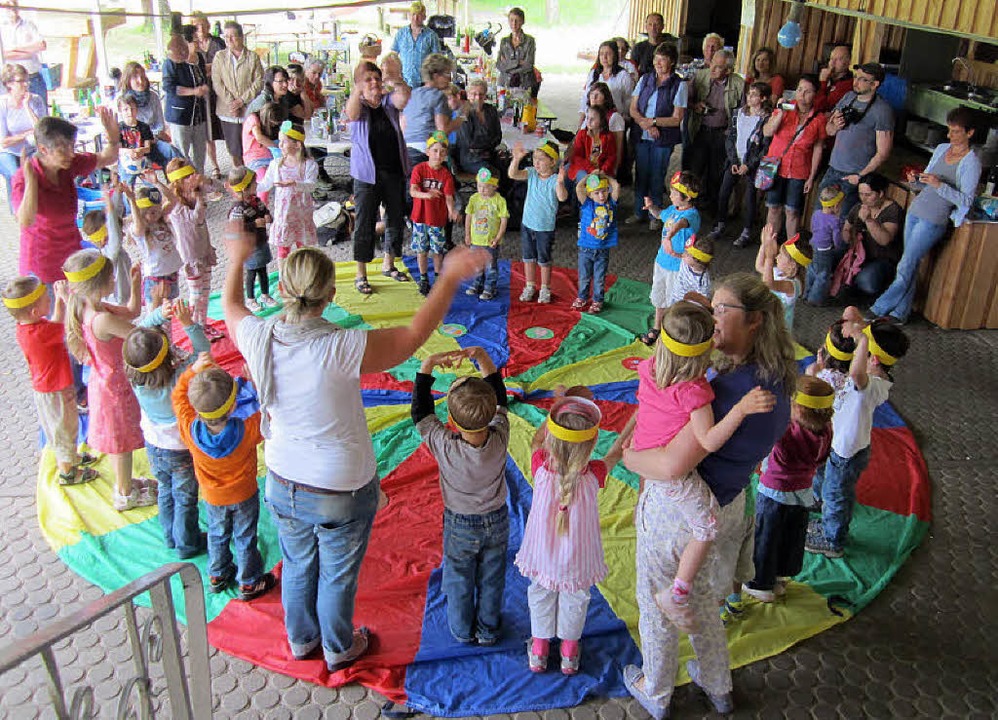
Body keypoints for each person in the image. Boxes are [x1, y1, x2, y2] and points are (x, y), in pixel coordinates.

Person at [222, 231, 485, 670]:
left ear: (283, 289)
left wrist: (236, 260)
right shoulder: (341, 346)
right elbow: (414, 335)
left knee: (298, 565)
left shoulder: (258, 335)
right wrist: (450, 277)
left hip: (282, 480)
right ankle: (338, 648)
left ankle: (302, 641)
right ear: (330, 294)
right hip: (340, 487)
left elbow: (232, 307)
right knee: (336, 576)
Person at [622, 273, 796, 718]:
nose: (712, 318)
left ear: (754, 320)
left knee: (657, 602)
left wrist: (627, 458)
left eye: (722, 310)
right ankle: (718, 686)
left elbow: (673, 465)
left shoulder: (722, 393)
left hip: (676, 513)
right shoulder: (772, 377)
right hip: (727, 504)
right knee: (699, 599)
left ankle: (655, 690)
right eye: (712, 307)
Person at [607, 300, 773, 630]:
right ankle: (678, 593)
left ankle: (660, 568)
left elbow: (644, 413)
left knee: (654, 519)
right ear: (705, 350)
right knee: (707, 524)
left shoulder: (650, 368)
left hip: (644, 452)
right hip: (669, 477)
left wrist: (621, 452)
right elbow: (709, 441)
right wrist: (740, 409)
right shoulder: (695, 391)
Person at [412, 346, 510, 645]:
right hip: (497, 521)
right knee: (492, 578)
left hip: (460, 524)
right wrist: (482, 359)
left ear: (451, 421)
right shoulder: (501, 432)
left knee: (458, 578)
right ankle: (488, 630)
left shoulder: (444, 443)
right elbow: (500, 397)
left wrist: (428, 364)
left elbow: (421, 412)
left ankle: (460, 629)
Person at [515, 395, 608, 675]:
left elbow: (536, 442)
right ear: (592, 445)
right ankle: (569, 652)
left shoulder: (539, 467)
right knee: (577, 597)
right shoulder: (596, 474)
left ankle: (540, 649)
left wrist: (553, 411)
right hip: (578, 558)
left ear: (550, 440)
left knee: (540, 592)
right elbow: (613, 456)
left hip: (543, 554)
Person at [173, 354, 277, 600]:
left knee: (218, 534)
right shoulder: (248, 429)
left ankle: (217, 574)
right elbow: (268, 413)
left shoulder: (188, 429)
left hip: (212, 496)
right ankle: (249, 582)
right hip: (244, 493)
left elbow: (178, 398)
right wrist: (255, 383)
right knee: (245, 536)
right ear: (233, 406)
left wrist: (191, 372)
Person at [806, 314, 909, 558]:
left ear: (871, 358)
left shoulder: (870, 386)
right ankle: (820, 502)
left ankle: (833, 540)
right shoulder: (874, 377)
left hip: (846, 453)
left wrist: (862, 340)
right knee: (825, 478)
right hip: (838, 444)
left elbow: (855, 375)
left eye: (862, 350)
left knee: (837, 494)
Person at [63, 249, 154, 511]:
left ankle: (124, 484)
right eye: (112, 277)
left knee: (118, 442)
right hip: (115, 389)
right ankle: (124, 494)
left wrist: (135, 284)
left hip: (105, 383)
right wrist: (160, 313)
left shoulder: (87, 305)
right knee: (122, 443)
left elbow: (131, 310)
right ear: (97, 283)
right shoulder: (101, 320)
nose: (115, 280)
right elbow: (140, 336)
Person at [870, 107, 981, 324]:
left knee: (906, 264)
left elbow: (966, 200)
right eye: (949, 130)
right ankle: (900, 314)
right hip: (916, 210)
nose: (951, 136)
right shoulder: (941, 149)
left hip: (934, 219)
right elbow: (926, 181)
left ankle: (878, 308)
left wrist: (939, 185)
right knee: (909, 263)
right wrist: (916, 179)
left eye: (957, 132)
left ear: (970, 133)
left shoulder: (972, 163)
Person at [123, 299, 210, 558]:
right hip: (180, 450)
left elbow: (136, 334)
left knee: (165, 489)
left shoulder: (134, 376)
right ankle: (187, 544)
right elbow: (203, 352)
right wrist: (187, 323)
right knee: (185, 497)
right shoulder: (180, 376)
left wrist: (158, 315)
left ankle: (170, 537)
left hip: (153, 445)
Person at [743, 375, 833, 602]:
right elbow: (822, 459)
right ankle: (781, 577)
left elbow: (762, 444)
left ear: (799, 410)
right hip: (803, 492)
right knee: (791, 537)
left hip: (775, 491)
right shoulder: (825, 431)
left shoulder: (786, 432)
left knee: (766, 537)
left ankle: (760, 584)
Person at [3, 276, 97, 485]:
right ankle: (68, 472)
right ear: (35, 312)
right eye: (48, 298)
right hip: (55, 389)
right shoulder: (41, 333)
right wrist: (65, 299)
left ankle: (70, 458)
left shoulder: (27, 327)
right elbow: (66, 326)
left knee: (65, 424)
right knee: (64, 427)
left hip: (50, 388)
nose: (51, 300)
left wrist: (60, 303)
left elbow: (55, 322)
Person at [13, 112, 120, 284]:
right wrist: (32, 182)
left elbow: (107, 157)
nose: (71, 154)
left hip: (72, 260)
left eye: (72, 146)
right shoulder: (23, 177)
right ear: (43, 149)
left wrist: (114, 139)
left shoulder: (67, 164)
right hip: (43, 269)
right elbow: (25, 220)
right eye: (63, 148)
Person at [345, 62, 413, 295]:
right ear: (359, 84)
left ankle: (389, 264)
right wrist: (358, 90)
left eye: (376, 78)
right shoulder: (358, 106)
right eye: (368, 79)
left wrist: (396, 78)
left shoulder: (387, 102)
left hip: (393, 171)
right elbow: (352, 114)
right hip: (366, 175)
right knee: (364, 224)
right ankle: (361, 273)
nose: (374, 82)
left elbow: (403, 99)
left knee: (395, 219)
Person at [817, 62, 894, 219]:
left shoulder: (882, 110)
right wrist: (834, 126)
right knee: (820, 217)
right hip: (833, 168)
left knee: (842, 222)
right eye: (856, 77)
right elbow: (828, 131)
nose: (856, 82)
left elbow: (883, 152)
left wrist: (860, 175)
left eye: (862, 79)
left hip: (855, 174)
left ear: (875, 84)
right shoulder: (848, 97)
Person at [638, 171, 701, 345]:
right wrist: (651, 207)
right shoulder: (673, 209)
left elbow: (682, 224)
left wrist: (669, 236)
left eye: (674, 192)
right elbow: (660, 215)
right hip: (662, 262)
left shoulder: (692, 215)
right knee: (660, 297)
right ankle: (657, 328)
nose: (671, 195)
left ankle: (672, 333)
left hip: (678, 267)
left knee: (675, 301)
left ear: (687, 197)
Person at [761, 75, 826, 242]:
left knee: (793, 211)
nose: (802, 94)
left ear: (815, 95)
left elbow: (818, 148)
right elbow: (767, 132)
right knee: (773, 207)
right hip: (775, 166)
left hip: (799, 170)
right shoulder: (785, 109)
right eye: (799, 89)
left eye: (808, 91)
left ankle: (790, 250)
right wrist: (780, 114)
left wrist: (811, 177)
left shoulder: (819, 119)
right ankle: (769, 246)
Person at [628, 43, 686, 229]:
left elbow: (677, 118)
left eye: (663, 59)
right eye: (656, 59)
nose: (658, 63)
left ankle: (656, 214)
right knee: (641, 174)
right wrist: (644, 123)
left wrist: (653, 122)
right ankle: (639, 212)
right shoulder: (645, 79)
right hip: (642, 134)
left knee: (657, 175)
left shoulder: (679, 85)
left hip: (663, 138)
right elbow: (633, 108)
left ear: (672, 61)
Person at [710, 80, 770, 247]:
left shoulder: (765, 119)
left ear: (763, 98)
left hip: (751, 165)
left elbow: (764, 148)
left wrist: (749, 165)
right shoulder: (739, 113)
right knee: (724, 192)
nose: (749, 98)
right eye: (749, 94)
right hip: (735, 160)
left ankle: (747, 230)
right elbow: (731, 136)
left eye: (754, 95)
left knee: (750, 198)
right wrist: (734, 160)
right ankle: (721, 223)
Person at [509, 141, 568, 304]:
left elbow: (562, 197)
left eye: (541, 159)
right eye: (534, 158)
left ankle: (545, 288)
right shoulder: (531, 173)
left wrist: (561, 182)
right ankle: (529, 285)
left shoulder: (555, 179)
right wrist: (516, 158)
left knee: (544, 259)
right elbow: (512, 174)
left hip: (545, 228)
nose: (536, 162)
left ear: (552, 162)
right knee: (528, 257)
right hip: (527, 223)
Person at [686, 49, 745, 211]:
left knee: (716, 172)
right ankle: (690, 206)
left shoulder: (739, 84)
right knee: (695, 169)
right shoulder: (700, 76)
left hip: (722, 133)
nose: (712, 69)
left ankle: (713, 208)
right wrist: (695, 106)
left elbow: (743, 112)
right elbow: (685, 98)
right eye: (712, 63)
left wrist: (731, 132)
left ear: (728, 70)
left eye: (718, 67)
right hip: (701, 129)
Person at [164, 159, 217, 330]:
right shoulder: (175, 203)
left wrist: (205, 180)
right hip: (190, 254)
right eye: (187, 177)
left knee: (206, 291)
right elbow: (196, 219)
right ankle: (193, 326)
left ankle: (202, 324)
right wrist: (200, 197)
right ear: (177, 182)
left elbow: (217, 187)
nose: (192, 178)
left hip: (204, 248)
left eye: (192, 174)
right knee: (196, 294)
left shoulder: (194, 190)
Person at [258, 120, 318, 270]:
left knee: (302, 249)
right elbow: (265, 184)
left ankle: (301, 276)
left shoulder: (309, 165)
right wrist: (249, 188)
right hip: (283, 216)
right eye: (280, 141)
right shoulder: (275, 164)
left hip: (302, 216)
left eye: (284, 142)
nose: (279, 145)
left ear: (297, 145)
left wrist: (295, 184)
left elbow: (311, 186)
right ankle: (283, 279)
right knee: (282, 249)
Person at [834, 173, 903, 300]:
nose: (863, 198)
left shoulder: (893, 210)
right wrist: (847, 235)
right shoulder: (859, 206)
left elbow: (884, 240)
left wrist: (869, 220)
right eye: (861, 194)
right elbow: (846, 228)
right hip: (860, 255)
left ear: (881, 193)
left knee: (866, 282)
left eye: (868, 195)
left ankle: (869, 288)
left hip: (883, 259)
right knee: (827, 257)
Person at [410, 131, 459, 296]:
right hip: (420, 218)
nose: (438, 155)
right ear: (427, 152)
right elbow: (413, 191)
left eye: (442, 152)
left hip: (437, 219)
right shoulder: (419, 169)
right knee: (421, 250)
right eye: (435, 150)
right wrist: (427, 195)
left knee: (438, 251)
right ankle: (424, 279)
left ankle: (438, 279)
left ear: (445, 155)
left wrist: (452, 210)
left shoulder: (446, 175)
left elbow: (449, 197)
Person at [121, 176, 183, 309]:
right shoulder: (139, 229)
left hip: (171, 273)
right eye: (151, 212)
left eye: (157, 209)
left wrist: (157, 183)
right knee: (156, 317)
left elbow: (173, 199)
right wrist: (132, 200)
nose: (156, 214)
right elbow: (138, 227)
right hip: (156, 278)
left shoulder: (160, 219)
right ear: (141, 213)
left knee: (168, 314)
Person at [213, 21, 264, 167]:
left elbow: (258, 81)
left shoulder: (252, 57)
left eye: (233, 36)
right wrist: (232, 103)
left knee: (251, 147)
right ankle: (240, 181)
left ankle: (254, 178)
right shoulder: (219, 56)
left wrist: (241, 101)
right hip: (227, 111)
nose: (229, 40)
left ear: (241, 37)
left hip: (248, 109)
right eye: (226, 36)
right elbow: (217, 82)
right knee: (234, 149)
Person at [225, 166, 274, 313]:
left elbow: (264, 210)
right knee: (251, 273)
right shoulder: (238, 209)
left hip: (261, 241)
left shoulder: (256, 200)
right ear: (245, 188)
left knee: (263, 270)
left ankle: (265, 295)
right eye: (254, 183)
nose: (257, 184)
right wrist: (254, 224)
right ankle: (251, 298)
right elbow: (236, 228)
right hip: (250, 246)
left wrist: (267, 215)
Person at [402, 53, 465, 166]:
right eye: (446, 74)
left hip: (406, 150)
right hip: (426, 150)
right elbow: (442, 131)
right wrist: (463, 116)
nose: (449, 78)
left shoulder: (414, 93)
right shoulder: (438, 96)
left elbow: (403, 123)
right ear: (435, 76)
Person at [118, 62, 182, 168]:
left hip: (153, 139)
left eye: (143, 76)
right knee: (138, 164)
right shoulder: (122, 101)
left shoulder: (153, 97)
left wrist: (151, 137)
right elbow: (122, 128)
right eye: (135, 77)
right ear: (128, 80)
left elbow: (160, 125)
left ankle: (181, 181)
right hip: (131, 144)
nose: (140, 81)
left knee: (172, 153)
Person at [162, 33, 210, 174]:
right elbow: (168, 87)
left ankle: (199, 180)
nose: (198, 43)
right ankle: (183, 183)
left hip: (198, 113)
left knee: (200, 152)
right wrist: (193, 91)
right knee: (182, 153)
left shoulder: (199, 58)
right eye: (194, 40)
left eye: (198, 40)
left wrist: (203, 88)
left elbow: (201, 79)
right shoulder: (171, 61)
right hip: (180, 114)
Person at [572, 172, 620, 314]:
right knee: (584, 276)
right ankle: (582, 297)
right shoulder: (587, 205)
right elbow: (579, 188)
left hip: (603, 250)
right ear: (590, 195)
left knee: (599, 278)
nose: (601, 196)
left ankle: (598, 300)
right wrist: (588, 177)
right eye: (597, 193)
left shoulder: (611, 203)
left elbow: (616, 186)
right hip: (586, 249)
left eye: (604, 191)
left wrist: (604, 176)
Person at [0, 62, 43, 208]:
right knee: (16, 175)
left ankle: (40, 207)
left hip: (31, 149)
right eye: (21, 81)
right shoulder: (2, 105)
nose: (25, 85)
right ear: (9, 84)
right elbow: (3, 141)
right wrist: (25, 135)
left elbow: (42, 131)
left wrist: (27, 106)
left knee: (41, 171)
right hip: (8, 152)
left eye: (27, 80)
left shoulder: (35, 100)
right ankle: (18, 210)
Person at [463, 167, 508, 301]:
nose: (482, 189)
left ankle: (489, 287)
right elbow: (469, 217)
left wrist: (498, 238)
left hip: (490, 241)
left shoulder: (500, 201)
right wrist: (467, 235)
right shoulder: (474, 198)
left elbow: (504, 220)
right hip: (475, 240)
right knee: (477, 264)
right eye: (479, 186)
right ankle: (477, 284)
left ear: (495, 186)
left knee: (490, 266)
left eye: (486, 187)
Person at [190, 11, 226, 178]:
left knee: (226, 127)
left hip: (219, 91)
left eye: (204, 24)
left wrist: (206, 68)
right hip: (201, 93)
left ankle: (236, 162)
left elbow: (223, 64)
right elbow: (191, 66)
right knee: (207, 131)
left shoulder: (217, 42)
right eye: (197, 25)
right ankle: (215, 166)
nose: (201, 28)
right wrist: (210, 67)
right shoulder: (191, 45)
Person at [757, 224, 812, 331]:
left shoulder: (793, 285)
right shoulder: (779, 272)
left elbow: (768, 283)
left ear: (792, 264)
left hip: (778, 329)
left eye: (781, 255)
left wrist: (769, 257)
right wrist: (764, 245)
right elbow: (759, 266)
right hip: (768, 319)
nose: (777, 257)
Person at [0, 0, 47, 105]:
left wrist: (15, 48)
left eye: (14, 5)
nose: (12, 8)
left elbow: (41, 45)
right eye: (8, 6)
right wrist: (29, 52)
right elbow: (3, 54)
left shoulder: (28, 25)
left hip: (33, 77)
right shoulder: (2, 27)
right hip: (12, 81)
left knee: (41, 111)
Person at [804, 185, 845, 305]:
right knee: (823, 275)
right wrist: (837, 246)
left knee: (811, 270)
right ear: (836, 205)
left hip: (813, 245)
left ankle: (806, 294)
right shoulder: (834, 220)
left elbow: (812, 228)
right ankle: (815, 299)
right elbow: (836, 238)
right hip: (824, 250)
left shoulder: (816, 213)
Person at [578, 41, 634, 128]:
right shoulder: (594, 74)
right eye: (601, 54)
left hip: (612, 122)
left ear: (615, 55)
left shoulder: (623, 76)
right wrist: (581, 123)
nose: (604, 57)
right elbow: (585, 98)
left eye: (608, 54)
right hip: (591, 121)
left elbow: (628, 101)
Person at [454, 79, 502, 176]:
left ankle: (503, 191)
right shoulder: (463, 113)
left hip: (490, 155)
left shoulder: (491, 110)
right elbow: (468, 143)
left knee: (509, 169)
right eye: (474, 94)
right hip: (471, 158)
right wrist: (488, 145)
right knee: (491, 174)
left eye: (481, 94)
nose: (478, 97)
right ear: (468, 95)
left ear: (485, 95)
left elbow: (498, 135)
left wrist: (488, 148)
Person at [391, 1, 441, 90]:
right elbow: (393, 55)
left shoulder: (431, 36)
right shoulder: (401, 33)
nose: (415, 18)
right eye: (413, 14)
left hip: (424, 83)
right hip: (404, 81)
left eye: (419, 15)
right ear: (409, 15)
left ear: (424, 17)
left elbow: (437, 60)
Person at [584, 82, 627, 182]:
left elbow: (618, 146)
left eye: (597, 95)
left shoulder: (614, 117)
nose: (593, 98)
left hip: (604, 163)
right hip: (589, 160)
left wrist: (615, 168)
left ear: (605, 98)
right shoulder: (589, 114)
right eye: (591, 94)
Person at [567, 106, 617, 182]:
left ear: (602, 120)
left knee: (608, 188)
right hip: (583, 168)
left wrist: (603, 170)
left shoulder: (608, 137)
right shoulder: (582, 134)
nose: (589, 121)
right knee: (591, 182)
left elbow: (611, 157)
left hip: (602, 170)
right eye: (587, 118)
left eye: (593, 119)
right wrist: (592, 169)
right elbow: (577, 157)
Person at [496, 7, 537, 97]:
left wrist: (508, 63)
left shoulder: (529, 41)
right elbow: (499, 65)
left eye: (517, 20)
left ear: (522, 22)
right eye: (511, 20)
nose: (514, 24)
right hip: (505, 84)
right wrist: (518, 62)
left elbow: (529, 65)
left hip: (524, 85)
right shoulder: (504, 41)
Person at [241, 101, 286, 179]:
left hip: (269, 156)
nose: (274, 125)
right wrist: (277, 146)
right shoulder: (253, 118)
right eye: (273, 123)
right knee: (264, 180)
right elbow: (259, 137)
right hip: (255, 158)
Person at [814, 45, 853, 113]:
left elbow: (821, 107)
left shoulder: (848, 84)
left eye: (839, 59)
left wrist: (823, 82)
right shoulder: (830, 78)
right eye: (831, 58)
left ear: (848, 62)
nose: (832, 63)